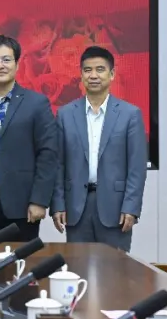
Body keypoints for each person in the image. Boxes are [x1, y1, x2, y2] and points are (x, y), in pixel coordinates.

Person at [51, 45, 147, 252]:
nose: (93, 75)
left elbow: (137, 168)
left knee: (114, 268)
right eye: (88, 70)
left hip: (116, 208)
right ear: (81, 75)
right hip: (76, 207)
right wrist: (57, 204)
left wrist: (131, 207)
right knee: (78, 266)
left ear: (112, 74)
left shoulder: (130, 114)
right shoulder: (65, 114)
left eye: (100, 69)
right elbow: (58, 164)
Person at [0, 35, 59, 241]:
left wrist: (39, 200)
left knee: (20, 260)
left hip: (22, 205)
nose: (0, 66)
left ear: (17, 64)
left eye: (6, 60)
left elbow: (48, 154)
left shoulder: (36, 104)